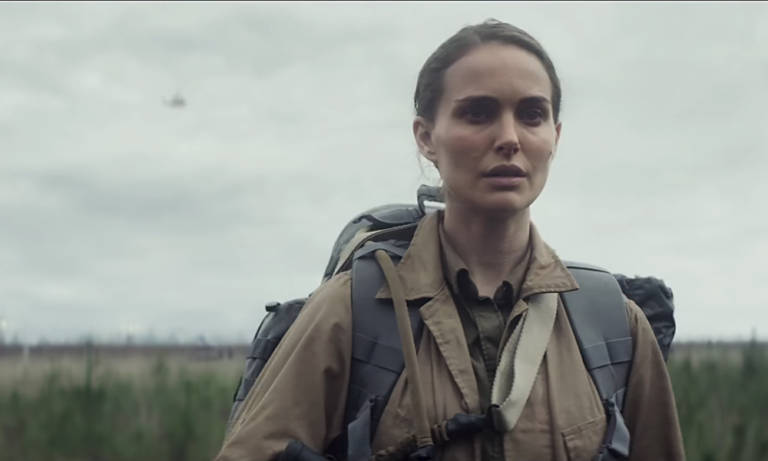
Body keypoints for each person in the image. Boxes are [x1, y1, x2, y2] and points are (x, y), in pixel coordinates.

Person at [216, 19, 685, 461]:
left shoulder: (613, 323)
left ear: (555, 137)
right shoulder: (352, 312)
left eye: (532, 114)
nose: (509, 138)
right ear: (426, 137)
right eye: (478, 113)